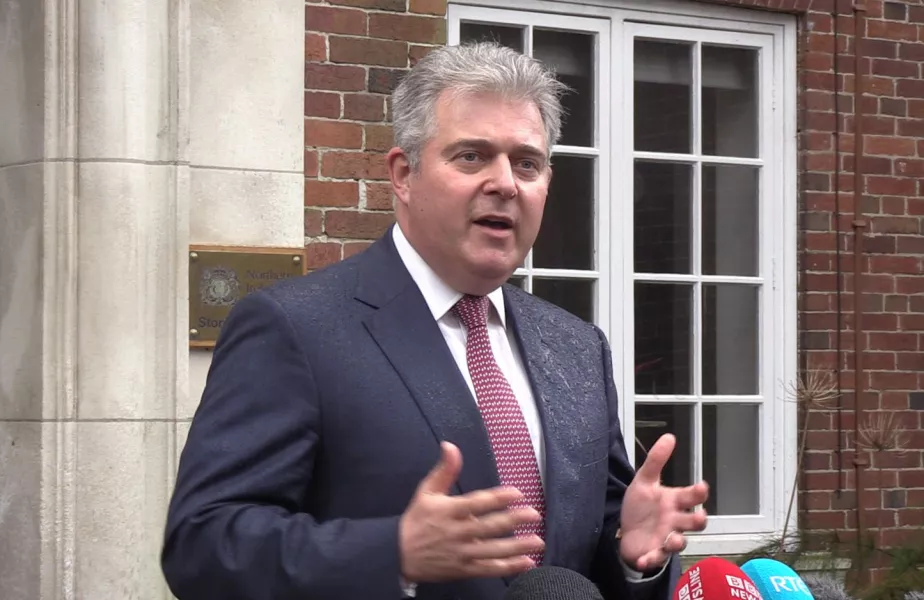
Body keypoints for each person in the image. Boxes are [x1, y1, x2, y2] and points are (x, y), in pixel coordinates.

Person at [161, 41, 709, 600]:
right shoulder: (295, 328)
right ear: (403, 174)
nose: (505, 183)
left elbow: (585, 550)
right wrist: (394, 552)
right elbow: (202, 547)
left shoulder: (576, 346)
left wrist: (631, 553)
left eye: (527, 162)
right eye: (471, 156)